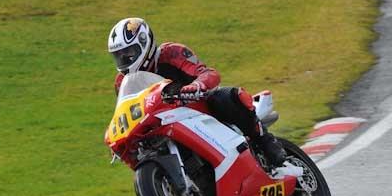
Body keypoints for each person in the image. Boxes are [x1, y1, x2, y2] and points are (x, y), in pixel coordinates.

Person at [108, 17, 287, 168]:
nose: (124, 60)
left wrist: (196, 86)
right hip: (161, 122)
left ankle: (265, 140)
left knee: (227, 97)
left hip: (198, 109)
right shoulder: (121, 82)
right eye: (119, 56)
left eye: (128, 53)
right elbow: (128, 111)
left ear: (144, 42)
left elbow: (208, 73)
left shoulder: (171, 53)